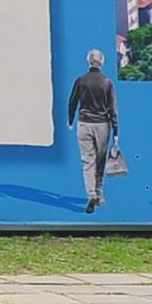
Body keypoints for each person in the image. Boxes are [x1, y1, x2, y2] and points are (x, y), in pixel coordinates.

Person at [64, 48, 119, 214]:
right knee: (100, 160)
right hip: (102, 125)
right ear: (102, 62)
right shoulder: (107, 82)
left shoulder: (80, 81)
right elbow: (112, 108)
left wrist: (71, 120)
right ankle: (100, 193)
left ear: (88, 61)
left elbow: (72, 102)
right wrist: (116, 130)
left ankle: (91, 194)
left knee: (87, 162)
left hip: (84, 124)